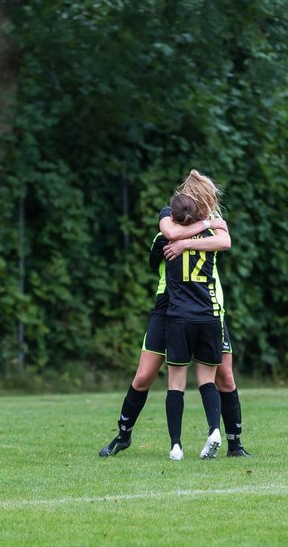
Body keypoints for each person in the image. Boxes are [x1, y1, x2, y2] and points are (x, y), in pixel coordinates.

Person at [98, 169, 252, 459]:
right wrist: (194, 233)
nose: (212, 207)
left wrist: (190, 240)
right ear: (196, 199)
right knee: (144, 375)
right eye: (208, 200)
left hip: (209, 307)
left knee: (226, 377)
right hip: (167, 310)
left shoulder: (212, 226)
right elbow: (170, 233)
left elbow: (224, 241)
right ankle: (123, 435)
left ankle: (235, 444)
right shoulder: (170, 218)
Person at [161, 192, 230, 460]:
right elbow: (225, 240)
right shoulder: (210, 240)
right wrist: (209, 223)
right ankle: (214, 430)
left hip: (179, 317)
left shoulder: (168, 241)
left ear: (174, 216)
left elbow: (168, 233)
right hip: (209, 316)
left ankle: (176, 445)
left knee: (176, 383)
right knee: (207, 381)